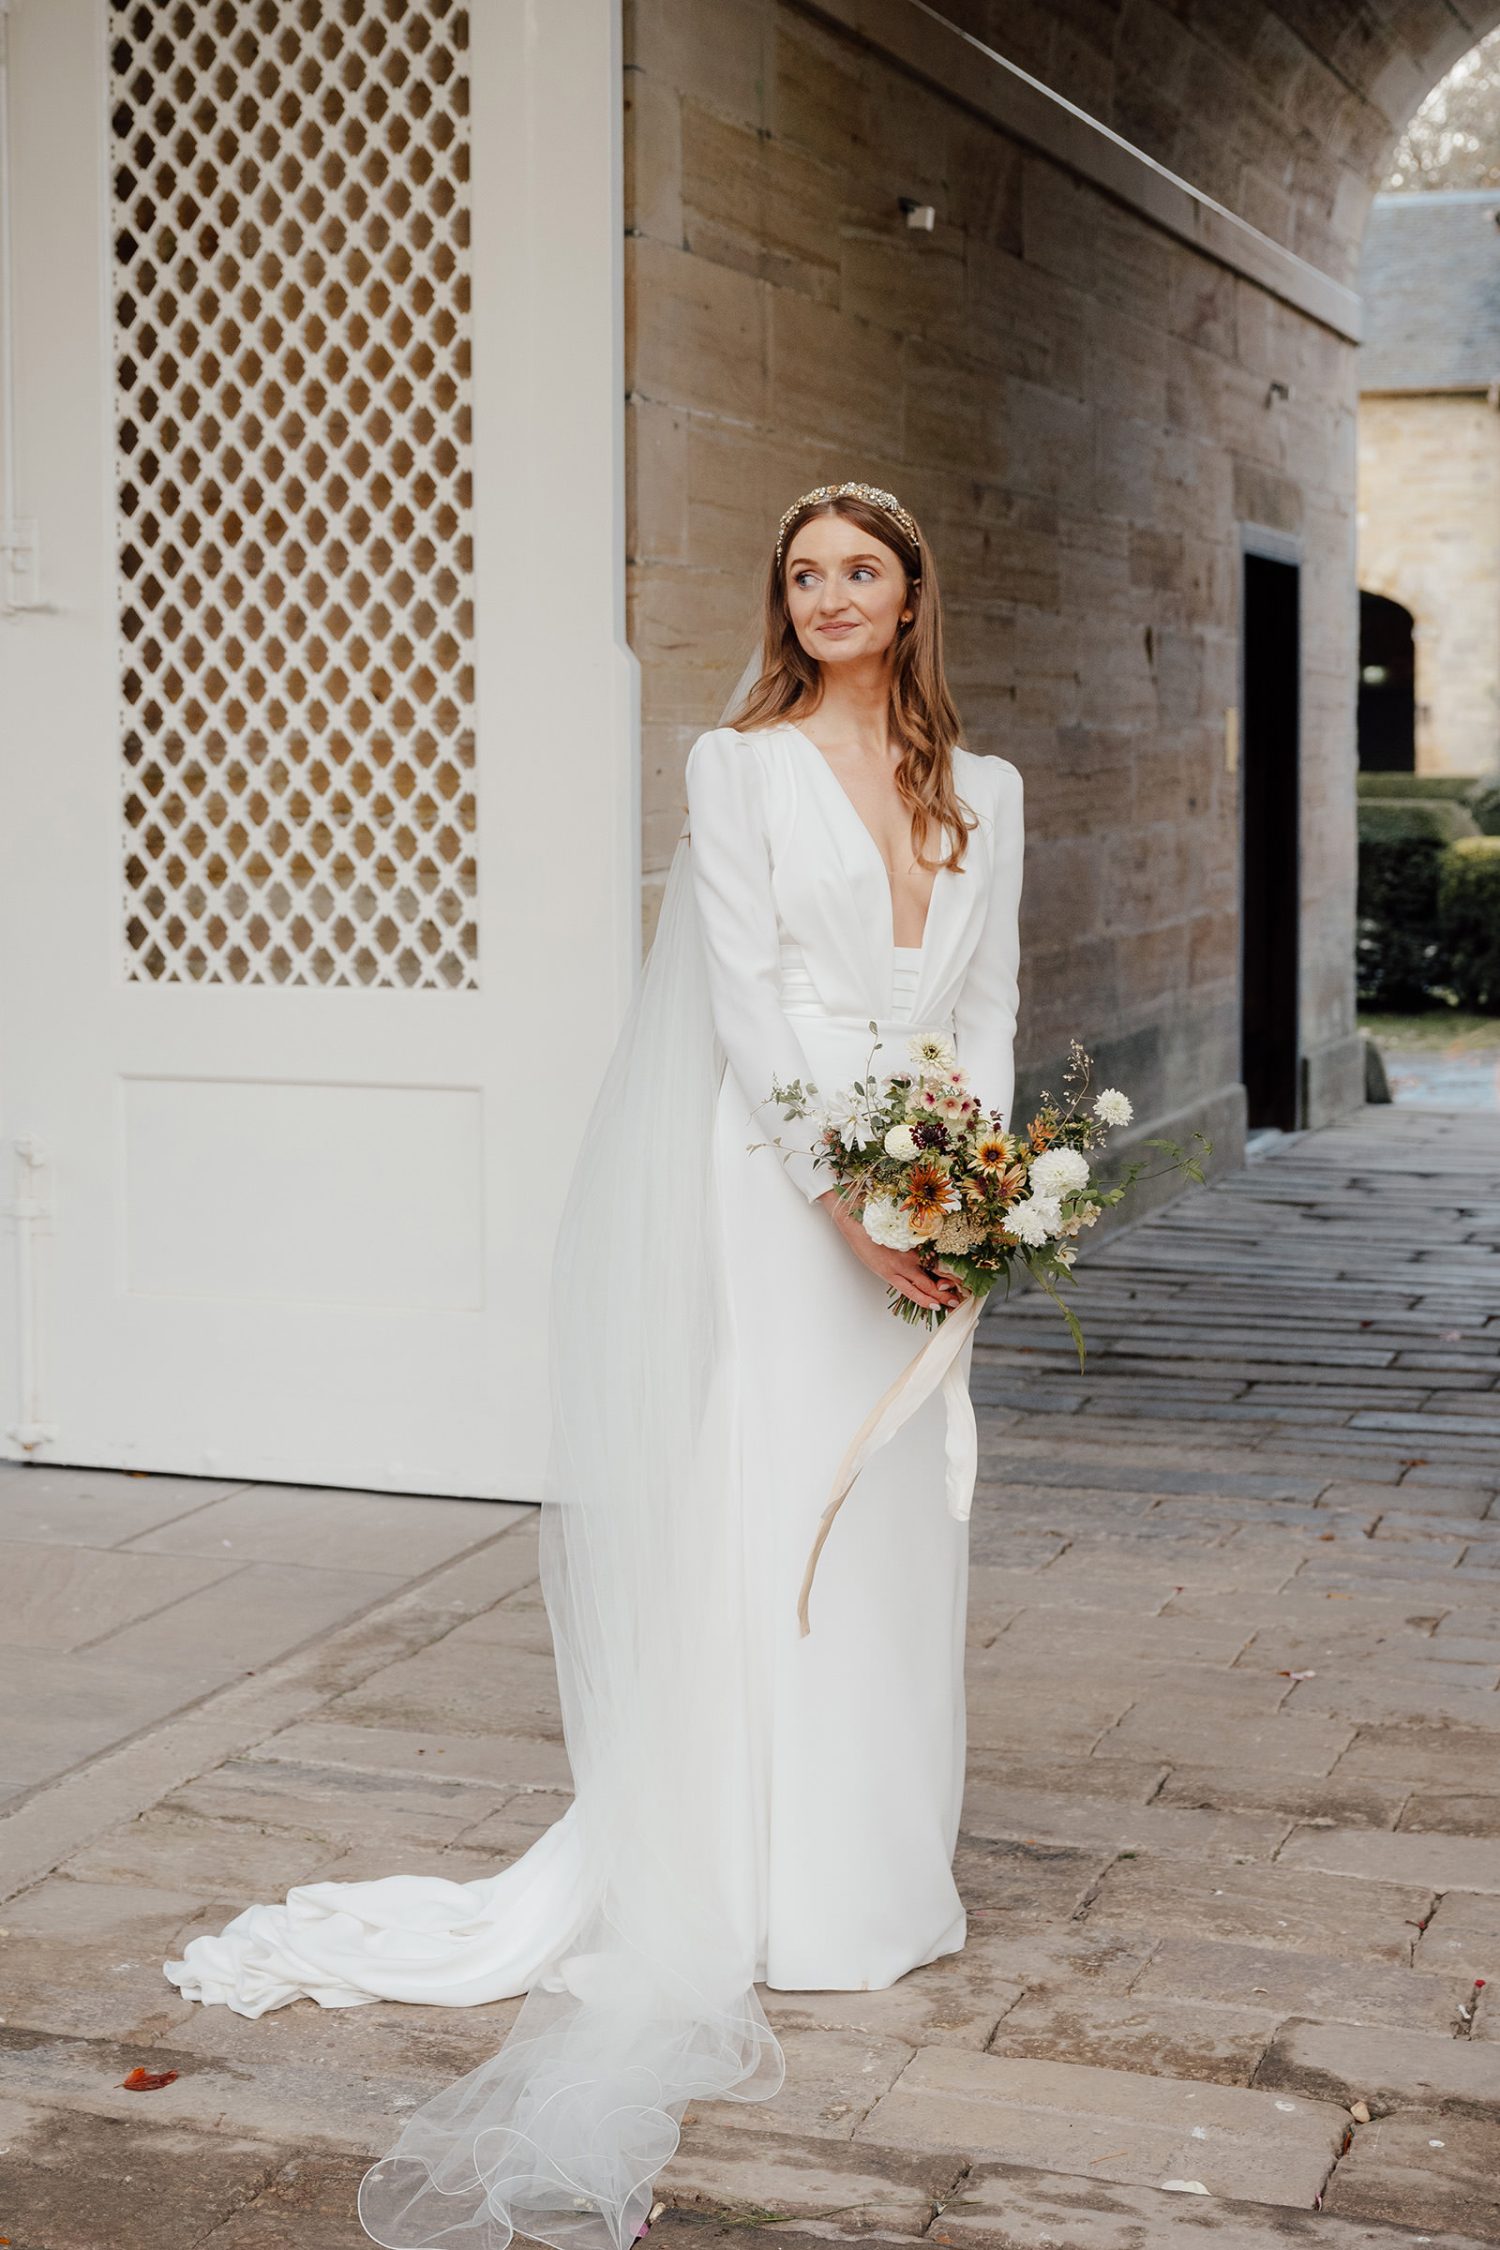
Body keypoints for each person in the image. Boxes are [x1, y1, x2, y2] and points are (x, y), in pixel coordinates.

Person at [162, 480, 1025, 2250]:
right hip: (786, 1189)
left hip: (931, 1190)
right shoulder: (742, 767)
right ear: (784, 606)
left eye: (863, 570)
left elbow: (989, 1003)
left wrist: (975, 1193)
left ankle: (876, 1883)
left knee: (892, 1529)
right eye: (805, 574)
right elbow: (747, 992)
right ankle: (750, 1891)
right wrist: (848, 1191)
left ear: (914, 593)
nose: (833, 594)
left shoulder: (988, 791)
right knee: (774, 1499)